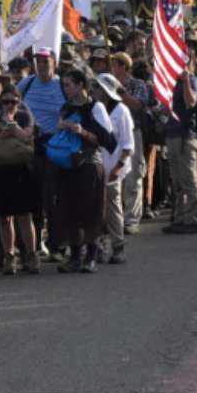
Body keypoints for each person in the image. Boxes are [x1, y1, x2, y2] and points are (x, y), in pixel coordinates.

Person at [52, 70, 116, 273]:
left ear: (80, 85)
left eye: (69, 84)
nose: (65, 89)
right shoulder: (66, 108)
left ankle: (91, 255)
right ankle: (75, 256)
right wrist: (61, 127)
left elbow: (108, 141)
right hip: (68, 166)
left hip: (89, 165)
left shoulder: (95, 108)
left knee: (91, 212)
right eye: (64, 85)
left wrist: (82, 131)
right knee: (70, 211)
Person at [0, 84, 38, 274]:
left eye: (13, 101)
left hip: (21, 169)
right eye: (5, 101)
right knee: (4, 218)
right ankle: (10, 257)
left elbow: (28, 137)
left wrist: (14, 126)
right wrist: (0, 135)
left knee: (25, 216)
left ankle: (31, 255)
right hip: (0, 170)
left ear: (19, 101)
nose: (9, 105)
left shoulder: (25, 116)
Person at [20, 47, 67, 259]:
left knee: (53, 197)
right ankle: (37, 243)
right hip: (31, 147)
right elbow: (11, 104)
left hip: (55, 147)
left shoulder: (63, 86)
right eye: (38, 63)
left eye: (45, 63)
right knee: (34, 198)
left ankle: (57, 244)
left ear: (54, 64)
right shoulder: (27, 83)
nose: (42, 67)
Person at [162, 59, 197, 235]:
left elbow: (191, 102)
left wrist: (185, 81)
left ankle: (192, 220)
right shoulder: (170, 82)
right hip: (172, 134)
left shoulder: (192, 80)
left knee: (189, 179)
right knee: (176, 180)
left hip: (185, 135)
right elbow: (167, 109)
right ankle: (180, 218)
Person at [94, 73, 134, 264]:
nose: (95, 91)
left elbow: (128, 145)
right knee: (97, 208)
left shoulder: (121, 111)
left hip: (113, 168)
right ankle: (100, 246)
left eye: (99, 88)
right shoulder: (94, 109)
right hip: (96, 167)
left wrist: (118, 167)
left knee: (112, 206)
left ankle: (118, 246)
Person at [110, 52, 149, 233]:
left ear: (124, 66)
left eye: (115, 65)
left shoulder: (137, 84)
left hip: (132, 133)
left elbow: (138, 105)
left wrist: (121, 93)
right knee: (116, 177)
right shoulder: (108, 85)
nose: (112, 68)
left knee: (133, 176)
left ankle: (132, 219)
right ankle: (115, 219)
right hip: (112, 135)